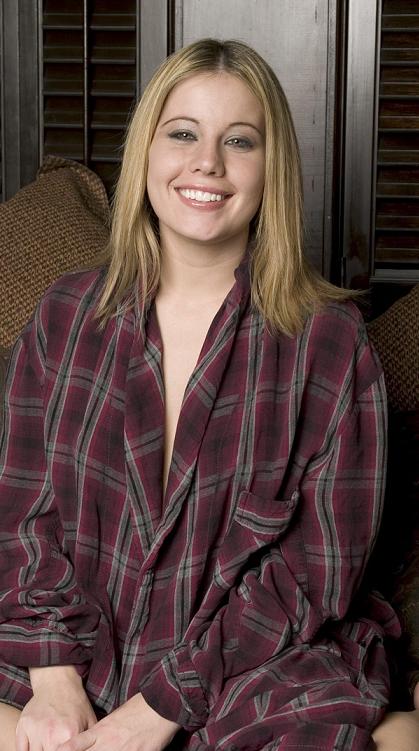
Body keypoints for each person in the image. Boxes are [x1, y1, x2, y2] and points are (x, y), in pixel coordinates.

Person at [0, 36, 416, 751]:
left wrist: (159, 709)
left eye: (240, 141)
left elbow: (316, 569)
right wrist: (53, 676)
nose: (208, 163)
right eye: (183, 133)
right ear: (147, 152)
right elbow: (21, 516)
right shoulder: (65, 314)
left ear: (271, 170)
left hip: (252, 665)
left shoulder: (330, 344)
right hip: (76, 641)